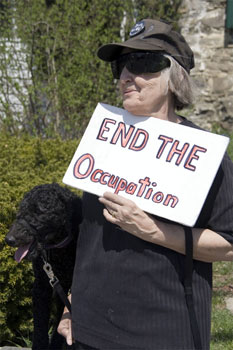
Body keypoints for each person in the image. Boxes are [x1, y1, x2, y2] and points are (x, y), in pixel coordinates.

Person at [58, 18, 233, 350]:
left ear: (173, 78)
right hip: (88, 331)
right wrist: (70, 303)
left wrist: (153, 231)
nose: (126, 76)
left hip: (161, 333)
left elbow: (229, 242)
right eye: (121, 65)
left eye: (141, 63)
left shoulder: (203, 155)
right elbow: (90, 235)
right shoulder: (103, 140)